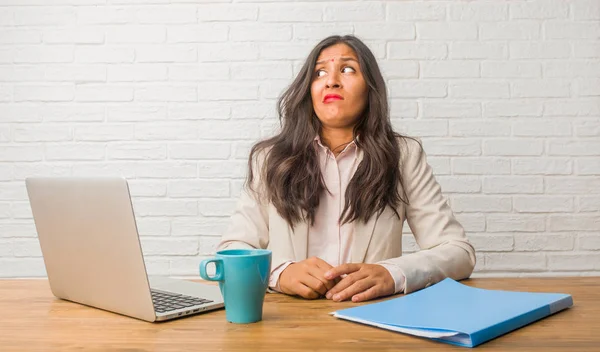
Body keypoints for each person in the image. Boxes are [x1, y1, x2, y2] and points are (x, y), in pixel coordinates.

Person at [217, 35, 475, 303]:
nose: (331, 80)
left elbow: (458, 252)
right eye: (320, 72)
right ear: (309, 89)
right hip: (287, 321)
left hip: (373, 317)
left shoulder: (403, 156)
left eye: (348, 69)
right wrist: (281, 274)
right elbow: (232, 250)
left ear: (370, 88)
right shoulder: (270, 158)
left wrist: (393, 274)